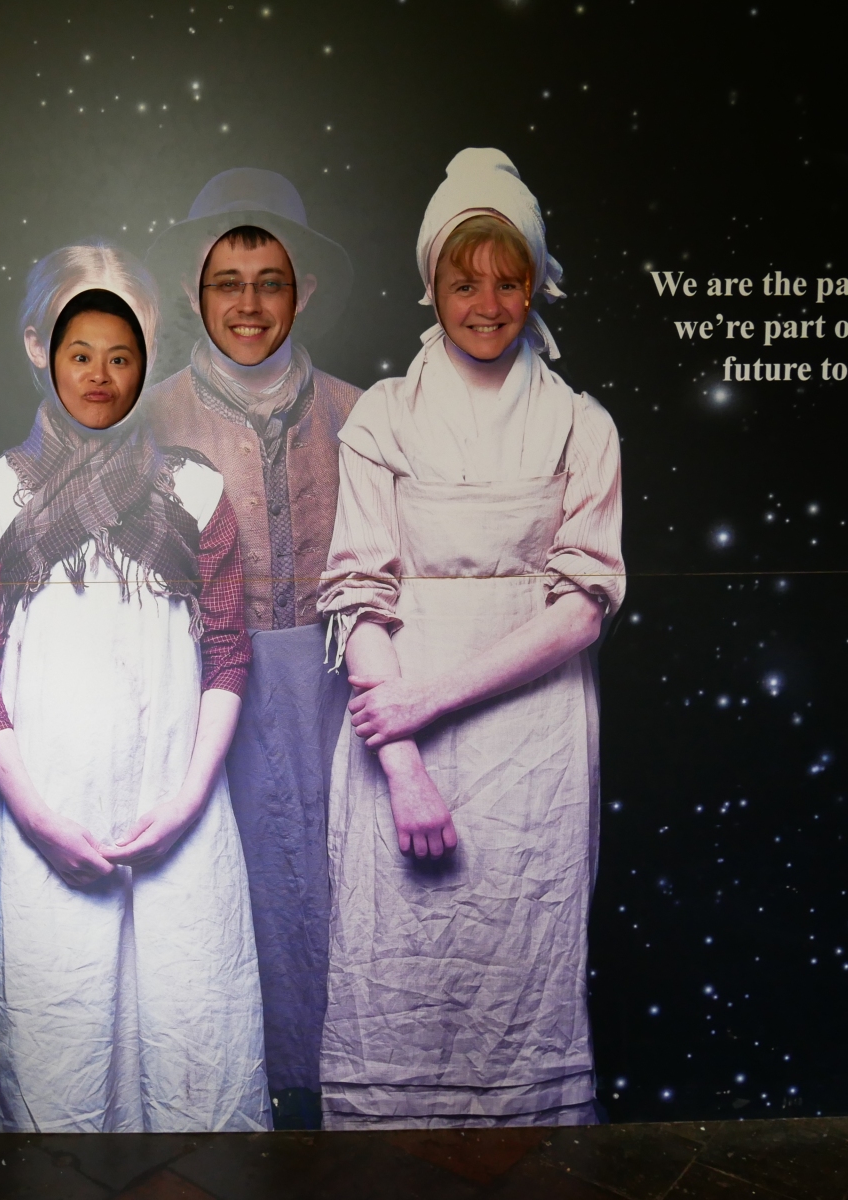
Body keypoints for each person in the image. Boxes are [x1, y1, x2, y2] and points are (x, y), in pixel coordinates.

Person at [317, 148, 625, 1128]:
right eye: (463, 282)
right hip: (395, 742)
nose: (486, 305)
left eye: (507, 280)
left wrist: (429, 698)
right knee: (397, 963)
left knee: (520, 955)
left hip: (532, 748)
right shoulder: (381, 418)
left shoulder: (582, 427)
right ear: (432, 285)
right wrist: (403, 760)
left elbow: (583, 607)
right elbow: (356, 599)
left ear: (535, 283)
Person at [0, 243, 270, 1133]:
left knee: (195, 1036)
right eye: (78, 352)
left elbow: (229, 653)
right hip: (46, 813)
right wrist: (39, 820)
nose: (99, 374)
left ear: (147, 359)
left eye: (121, 355)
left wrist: (188, 799)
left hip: (177, 808)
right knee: (57, 1051)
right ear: (40, 349)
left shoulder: (197, 493)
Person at [145, 169, 361, 1129]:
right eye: (225, 283)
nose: (248, 304)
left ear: (302, 290)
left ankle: (347, 1092)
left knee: (342, 885)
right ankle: (239, 1104)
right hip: (210, 691)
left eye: (269, 282)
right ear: (195, 291)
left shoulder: (361, 414)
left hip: (338, 687)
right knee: (232, 896)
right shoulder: (148, 418)